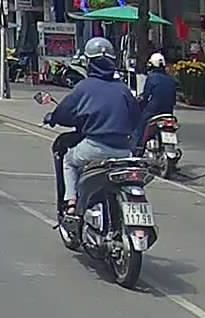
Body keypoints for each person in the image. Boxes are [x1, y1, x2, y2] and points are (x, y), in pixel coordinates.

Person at [44, 37, 138, 216]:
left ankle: (71, 203)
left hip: (94, 147)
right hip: (123, 152)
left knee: (69, 161)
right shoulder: (123, 89)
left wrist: (52, 118)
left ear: (89, 63)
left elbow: (64, 111)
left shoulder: (84, 87)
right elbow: (135, 118)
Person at [133, 52, 177, 151]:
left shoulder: (152, 78)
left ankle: (137, 149)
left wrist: (140, 104)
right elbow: (173, 99)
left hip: (153, 111)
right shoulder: (170, 79)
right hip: (168, 112)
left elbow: (145, 97)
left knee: (140, 126)